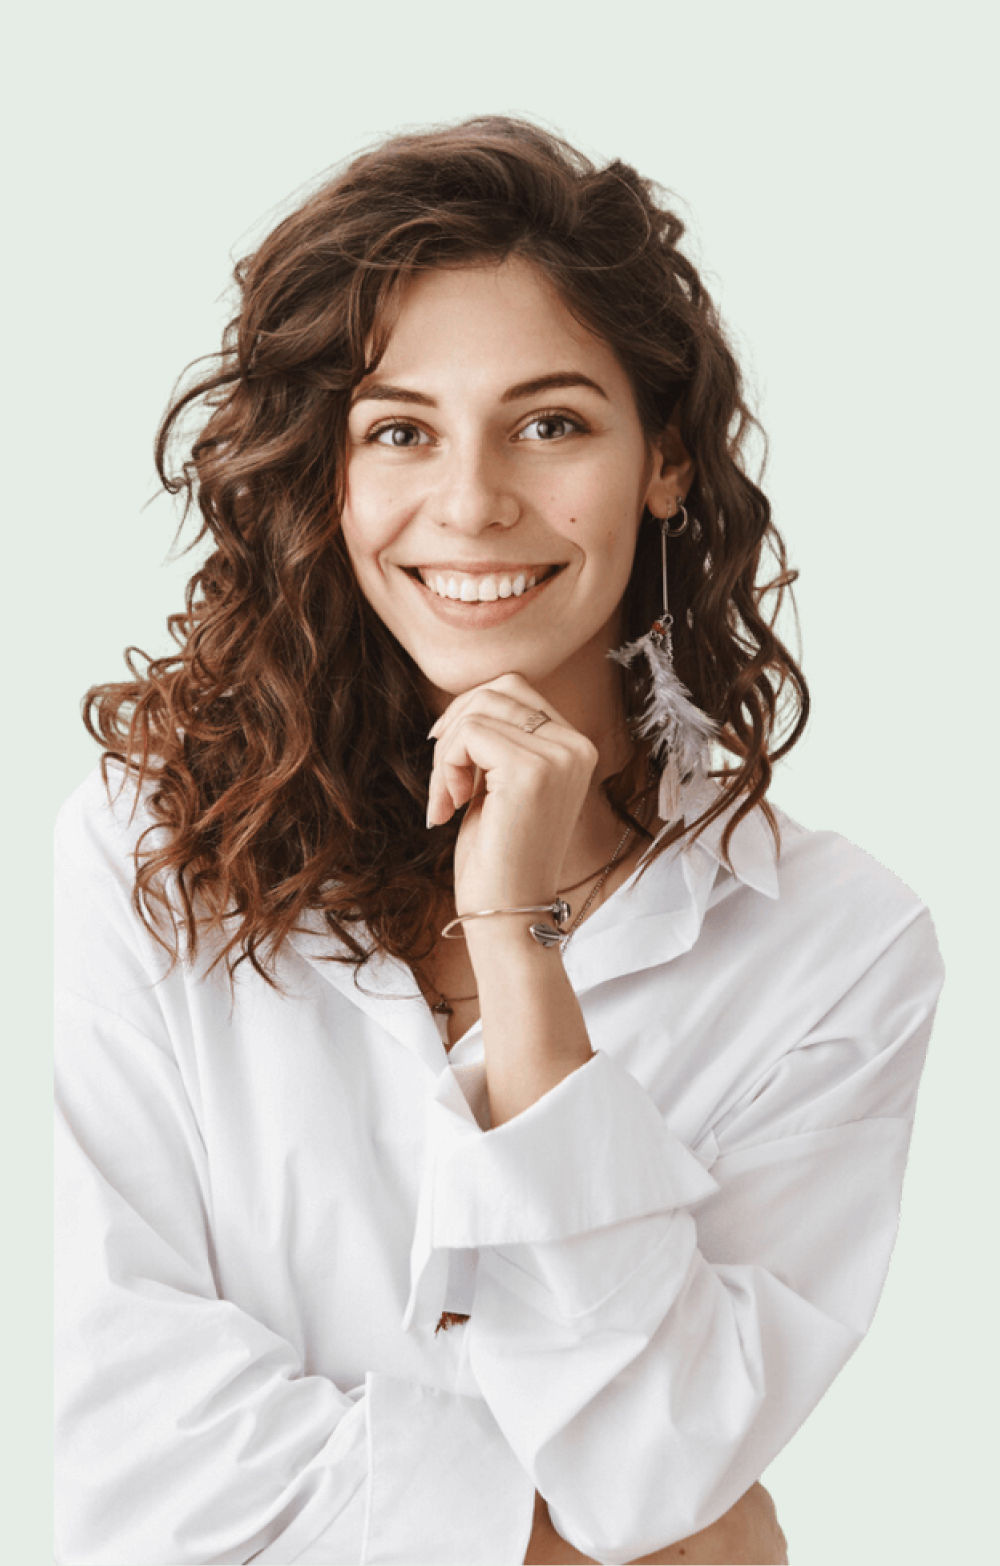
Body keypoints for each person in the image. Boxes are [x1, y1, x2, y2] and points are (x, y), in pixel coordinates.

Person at [54, 117, 943, 1565]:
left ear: (663, 460)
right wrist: (573, 1545)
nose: (471, 503)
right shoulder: (142, 851)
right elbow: (109, 1438)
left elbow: (659, 1455)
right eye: (399, 430)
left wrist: (518, 947)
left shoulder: (838, 948)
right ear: (326, 476)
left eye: (551, 424)